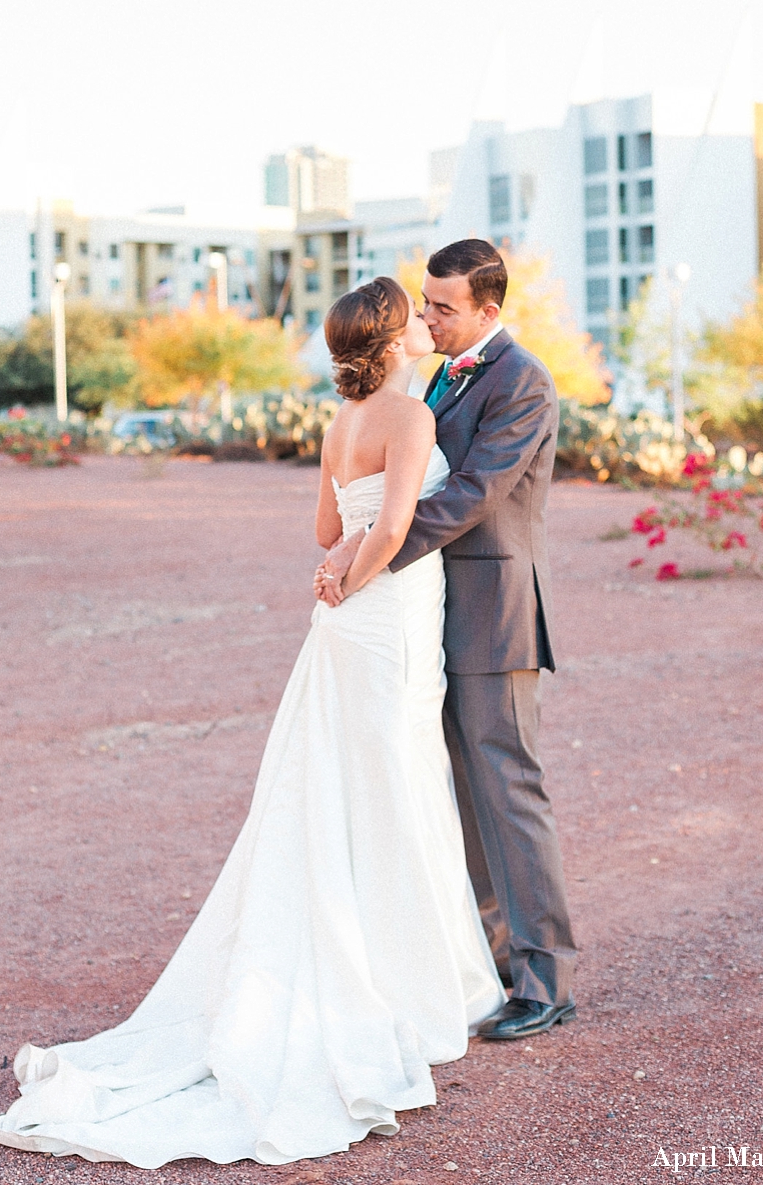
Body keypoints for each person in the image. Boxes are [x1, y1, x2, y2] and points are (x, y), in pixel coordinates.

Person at [0, 276, 501, 1170]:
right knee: (393, 785)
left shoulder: (340, 422)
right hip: (386, 616)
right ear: (390, 339)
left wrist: (338, 565)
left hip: (343, 623)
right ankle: (409, 984)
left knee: (350, 785)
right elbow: (391, 530)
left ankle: (395, 968)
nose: (427, 324)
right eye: (414, 316)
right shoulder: (408, 417)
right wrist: (357, 566)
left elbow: (322, 526)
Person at [317, 239, 577, 1041]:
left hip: (494, 617)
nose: (425, 316)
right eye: (423, 303)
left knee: (508, 793)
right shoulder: (436, 375)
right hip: (427, 616)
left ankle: (544, 979)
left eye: (442, 307)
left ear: (488, 311)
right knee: (455, 798)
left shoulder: (523, 380)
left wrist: (368, 548)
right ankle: (486, 960)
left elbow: (471, 491)